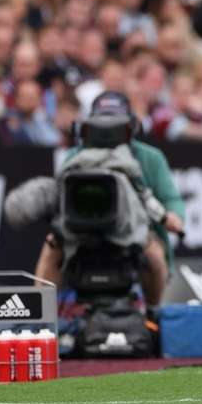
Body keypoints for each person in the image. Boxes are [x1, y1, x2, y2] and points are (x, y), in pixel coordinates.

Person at [34, 91, 185, 308]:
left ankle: (154, 315)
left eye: (115, 123)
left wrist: (174, 217)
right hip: (81, 231)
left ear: (130, 126)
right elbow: (59, 199)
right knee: (51, 248)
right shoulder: (74, 157)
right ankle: (42, 318)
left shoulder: (150, 157)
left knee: (154, 254)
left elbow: (171, 199)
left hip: (134, 231)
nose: (108, 130)